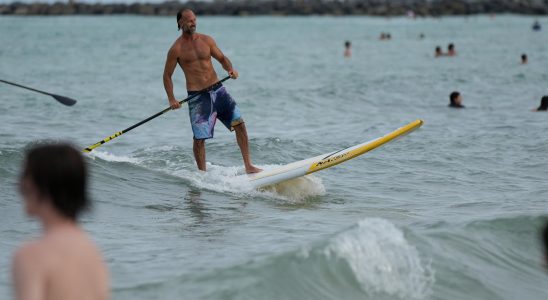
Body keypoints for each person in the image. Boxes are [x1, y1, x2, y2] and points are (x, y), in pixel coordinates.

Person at [163, 8, 261, 174]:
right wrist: (171, 99)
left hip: (219, 90)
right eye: (189, 20)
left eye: (194, 19)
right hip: (198, 98)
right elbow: (167, 76)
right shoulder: (176, 49)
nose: (193, 22)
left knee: (240, 124)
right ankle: (202, 175)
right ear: (180, 22)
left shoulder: (206, 40)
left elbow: (222, 59)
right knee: (200, 139)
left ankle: (249, 166)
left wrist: (230, 69)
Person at [12, 143, 109, 300]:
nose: (19, 185)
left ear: (42, 186)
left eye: (25, 177)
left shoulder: (32, 255)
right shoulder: (92, 252)